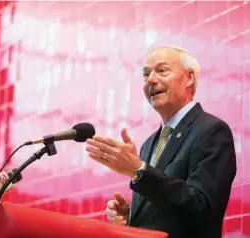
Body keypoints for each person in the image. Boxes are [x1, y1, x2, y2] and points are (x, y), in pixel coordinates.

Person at [85, 46, 237, 238]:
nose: (151, 80)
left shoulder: (211, 131)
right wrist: (132, 217)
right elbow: (168, 209)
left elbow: (202, 208)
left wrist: (139, 171)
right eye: (146, 74)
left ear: (189, 78)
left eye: (162, 70)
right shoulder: (149, 144)